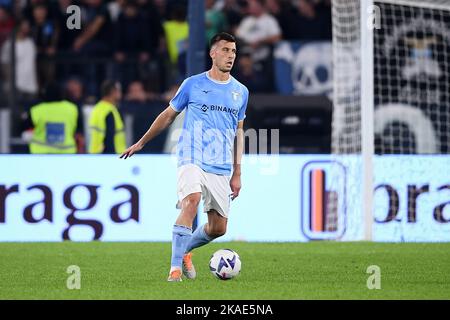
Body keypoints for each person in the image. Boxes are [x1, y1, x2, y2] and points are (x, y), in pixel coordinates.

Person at [120, 32, 249, 282]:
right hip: (191, 155)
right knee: (192, 200)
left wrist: (238, 172)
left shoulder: (241, 92)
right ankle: (174, 270)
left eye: (233, 51)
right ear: (212, 53)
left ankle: (186, 250)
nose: (230, 56)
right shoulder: (193, 84)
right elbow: (168, 115)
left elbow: (239, 132)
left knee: (218, 228)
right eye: (225, 50)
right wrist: (141, 142)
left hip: (220, 165)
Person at [26, 83, 81, 154]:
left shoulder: (36, 110)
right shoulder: (72, 109)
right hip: (66, 153)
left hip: (41, 155)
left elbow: (25, 129)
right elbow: (78, 132)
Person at [88, 80, 126, 154]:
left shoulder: (97, 108)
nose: (120, 93)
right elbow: (109, 138)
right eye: (118, 90)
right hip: (110, 155)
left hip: (95, 153)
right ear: (113, 92)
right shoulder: (109, 111)